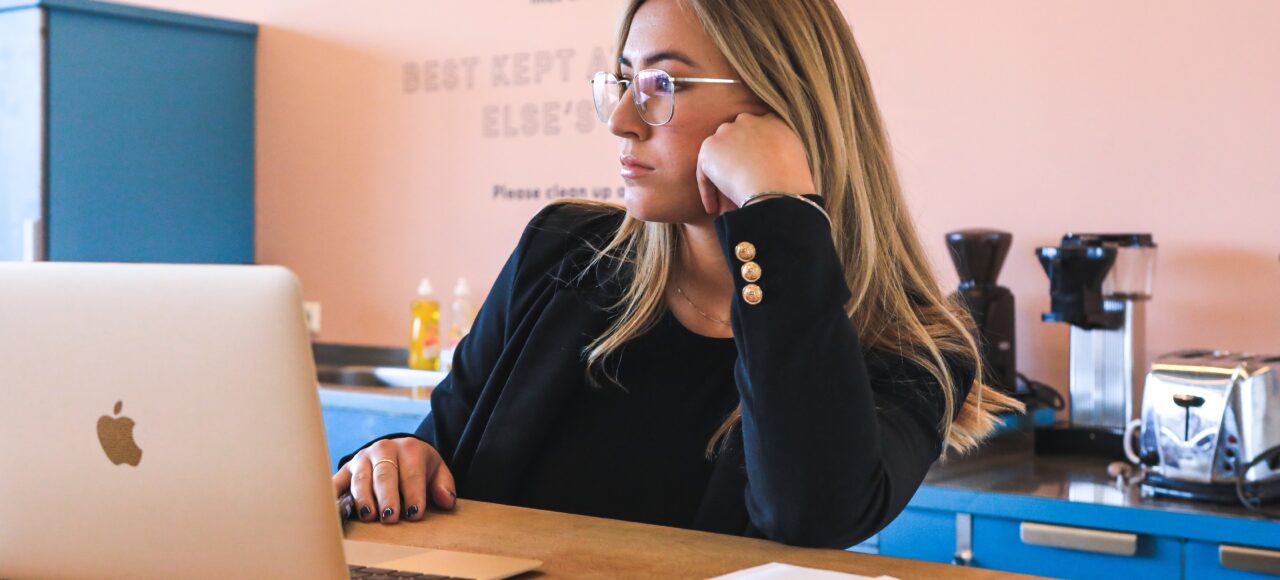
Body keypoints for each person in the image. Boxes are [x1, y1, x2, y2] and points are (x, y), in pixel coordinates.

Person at [333, 0, 1022, 548]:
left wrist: (777, 215)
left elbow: (810, 515)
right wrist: (394, 459)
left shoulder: (912, 348)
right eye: (625, 81)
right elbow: (438, 450)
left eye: (665, 84)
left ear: (782, 107)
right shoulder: (564, 253)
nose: (624, 121)